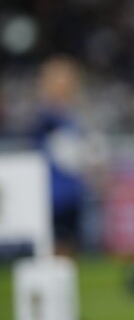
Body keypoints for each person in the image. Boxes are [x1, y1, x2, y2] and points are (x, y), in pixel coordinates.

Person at [31, 55, 89, 256]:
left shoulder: (71, 115)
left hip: (71, 190)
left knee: (70, 245)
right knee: (55, 246)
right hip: (52, 193)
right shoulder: (45, 116)